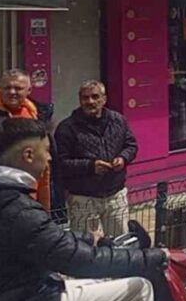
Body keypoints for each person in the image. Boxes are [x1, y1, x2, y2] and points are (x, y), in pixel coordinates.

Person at [0, 118, 167, 301]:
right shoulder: (20, 208)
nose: (49, 158)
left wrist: (88, 238)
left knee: (98, 285)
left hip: (11, 300)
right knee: (140, 288)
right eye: (46, 151)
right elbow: (79, 260)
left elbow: (45, 238)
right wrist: (154, 257)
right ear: (28, 155)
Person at [53, 80, 138, 238]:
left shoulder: (118, 120)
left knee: (120, 243)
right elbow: (60, 164)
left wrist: (123, 158)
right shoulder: (67, 128)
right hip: (83, 199)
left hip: (115, 195)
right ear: (79, 100)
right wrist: (90, 166)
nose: (90, 101)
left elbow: (131, 145)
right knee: (86, 247)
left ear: (104, 99)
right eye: (85, 97)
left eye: (95, 97)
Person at [0, 69, 51, 211]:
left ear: (29, 90)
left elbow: (50, 158)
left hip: (38, 191)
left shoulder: (39, 113)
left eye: (18, 88)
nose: (12, 92)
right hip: (2, 197)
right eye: (7, 87)